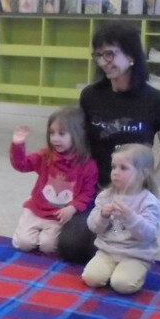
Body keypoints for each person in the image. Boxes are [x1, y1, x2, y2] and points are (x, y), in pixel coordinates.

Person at [56, 20, 160, 264]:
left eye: (110, 54)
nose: (104, 62)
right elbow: (82, 145)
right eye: (98, 55)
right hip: (97, 191)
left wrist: (148, 188)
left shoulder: (157, 101)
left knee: (117, 245)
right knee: (70, 247)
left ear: (131, 56)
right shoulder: (90, 95)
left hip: (133, 192)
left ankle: (125, 245)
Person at [10, 106, 100, 254]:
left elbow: (87, 193)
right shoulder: (46, 155)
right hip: (35, 210)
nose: (55, 138)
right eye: (52, 133)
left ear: (77, 135)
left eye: (61, 134)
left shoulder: (87, 165)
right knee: (24, 244)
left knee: (48, 247)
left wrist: (73, 207)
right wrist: (18, 145)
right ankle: (26, 233)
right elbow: (21, 165)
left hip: (57, 216)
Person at [83, 143, 160, 295]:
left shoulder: (149, 202)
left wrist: (130, 217)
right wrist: (103, 215)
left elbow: (148, 235)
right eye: (113, 167)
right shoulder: (105, 196)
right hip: (107, 251)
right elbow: (93, 227)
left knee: (122, 284)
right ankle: (113, 270)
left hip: (136, 254)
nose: (115, 172)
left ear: (143, 174)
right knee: (91, 278)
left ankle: (136, 270)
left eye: (123, 168)